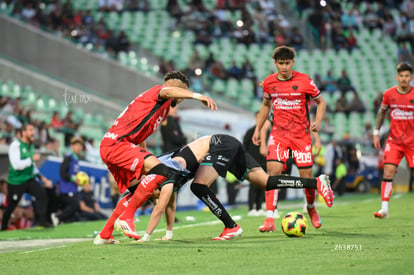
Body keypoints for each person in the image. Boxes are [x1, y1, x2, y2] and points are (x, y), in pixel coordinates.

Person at [133, 134, 333, 242]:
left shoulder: (165, 173)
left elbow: (162, 206)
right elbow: (168, 204)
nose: (161, 196)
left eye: (156, 195)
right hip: (228, 144)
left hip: (219, 145)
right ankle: (317, 182)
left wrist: (146, 237)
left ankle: (231, 227)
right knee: (266, 182)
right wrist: (168, 234)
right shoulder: (164, 175)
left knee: (198, 186)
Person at [94, 71, 217, 244]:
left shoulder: (163, 108)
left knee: (141, 191)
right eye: (181, 91)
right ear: (173, 87)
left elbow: (142, 134)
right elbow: (167, 91)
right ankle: (127, 217)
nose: (181, 98)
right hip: (118, 145)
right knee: (164, 172)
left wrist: (144, 163)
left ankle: (105, 234)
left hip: (117, 147)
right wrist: (197, 96)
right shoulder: (158, 92)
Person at [252, 46, 327, 232]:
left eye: (287, 63)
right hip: (279, 135)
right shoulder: (269, 83)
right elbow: (265, 105)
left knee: (306, 177)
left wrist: (317, 121)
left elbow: (321, 102)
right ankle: (270, 218)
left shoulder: (305, 80)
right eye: (281, 63)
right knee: (273, 172)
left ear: (292, 62)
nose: (284, 67)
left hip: (301, 137)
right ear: (275, 63)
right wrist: (257, 129)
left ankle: (311, 208)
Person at [373, 62, 414, 219]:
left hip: (412, 142)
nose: (404, 79)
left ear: (411, 78)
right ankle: (384, 209)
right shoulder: (389, 94)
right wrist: (376, 133)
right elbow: (381, 113)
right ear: (397, 77)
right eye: (401, 76)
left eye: (407, 76)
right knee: (388, 171)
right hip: (394, 141)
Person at [1, 124, 52, 230]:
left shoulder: (30, 146)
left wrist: (41, 177)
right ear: (23, 133)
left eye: (33, 129)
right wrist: (31, 159)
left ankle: (41, 222)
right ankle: (4, 227)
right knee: (11, 206)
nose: (33, 132)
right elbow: (16, 165)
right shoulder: (15, 145)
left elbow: (32, 166)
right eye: (30, 130)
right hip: (16, 182)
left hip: (28, 178)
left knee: (41, 194)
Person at [50, 137, 84, 226]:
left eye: (80, 145)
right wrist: (74, 179)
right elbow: (62, 172)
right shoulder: (68, 157)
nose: (79, 147)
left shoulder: (76, 158)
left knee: (75, 205)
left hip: (73, 187)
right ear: (72, 146)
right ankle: (58, 217)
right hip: (66, 187)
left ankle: (64, 221)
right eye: (77, 145)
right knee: (74, 204)